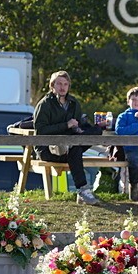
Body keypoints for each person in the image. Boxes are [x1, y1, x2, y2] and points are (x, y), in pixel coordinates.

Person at [33, 70, 109, 205]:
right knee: (75, 149)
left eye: (65, 84)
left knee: (95, 132)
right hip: (48, 149)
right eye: (59, 84)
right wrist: (66, 125)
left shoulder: (74, 103)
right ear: (52, 86)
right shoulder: (44, 104)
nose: (62, 87)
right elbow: (40, 131)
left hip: (71, 144)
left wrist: (79, 128)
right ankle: (83, 191)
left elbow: (77, 123)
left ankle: (83, 191)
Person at [113, 87, 138, 199]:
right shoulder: (123, 116)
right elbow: (120, 131)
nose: (136, 102)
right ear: (128, 101)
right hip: (131, 148)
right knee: (135, 161)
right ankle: (134, 186)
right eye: (133, 99)